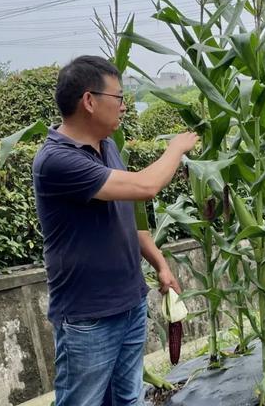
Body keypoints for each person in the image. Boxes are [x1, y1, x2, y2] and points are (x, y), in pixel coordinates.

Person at [32, 55, 199, 406]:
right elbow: (145, 187)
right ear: (89, 101)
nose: (124, 107)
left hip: (130, 303)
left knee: (128, 399)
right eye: (119, 98)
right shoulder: (58, 160)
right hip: (89, 316)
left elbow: (131, 215)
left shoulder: (106, 146)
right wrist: (176, 148)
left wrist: (160, 264)